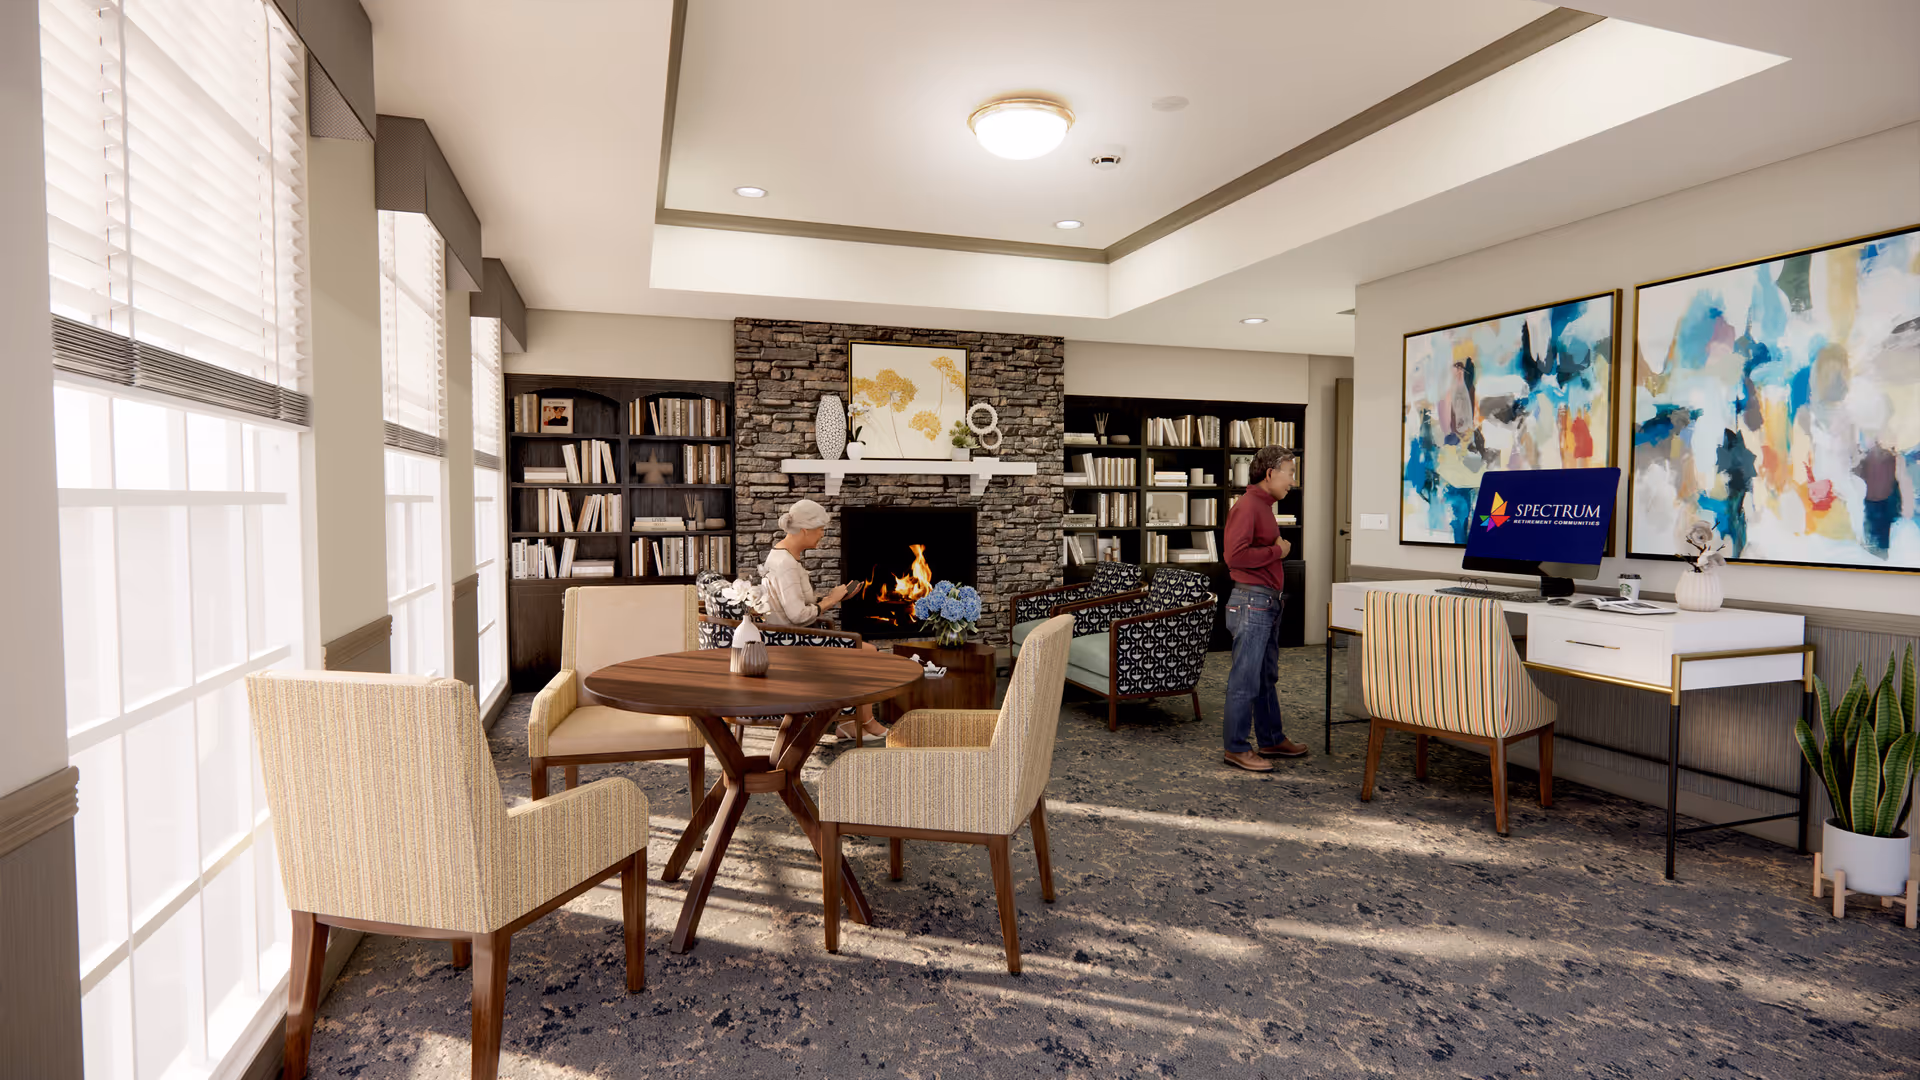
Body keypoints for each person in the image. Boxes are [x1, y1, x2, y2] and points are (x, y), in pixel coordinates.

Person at [761, 498, 889, 740]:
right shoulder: (786, 564)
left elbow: (793, 602)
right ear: (805, 530)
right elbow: (797, 615)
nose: (822, 534)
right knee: (868, 652)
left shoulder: (782, 555)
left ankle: (855, 724)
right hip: (793, 644)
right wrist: (830, 602)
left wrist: (830, 596)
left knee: (864, 649)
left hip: (793, 637)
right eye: (820, 529)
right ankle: (864, 723)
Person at [1220, 446, 1309, 772]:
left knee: (1264, 676)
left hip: (1264, 602)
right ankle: (1236, 748)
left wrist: (1274, 551)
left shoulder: (1262, 506)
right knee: (1245, 678)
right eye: (1290, 472)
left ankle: (1271, 738)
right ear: (1270, 473)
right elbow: (1235, 558)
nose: (1292, 480)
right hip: (1252, 603)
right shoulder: (1247, 507)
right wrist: (1277, 550)